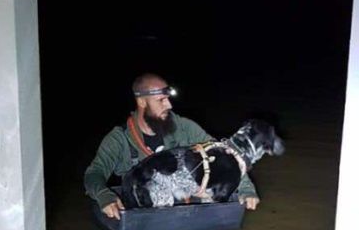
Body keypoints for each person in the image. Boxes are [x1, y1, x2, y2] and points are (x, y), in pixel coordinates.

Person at [84, 73, 259, 220]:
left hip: (183, 204)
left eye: (168, 99)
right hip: (143, 208)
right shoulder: (119, 139)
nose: (169, 105)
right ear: (142, 102)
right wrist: (104, 196)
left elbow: (225, 158)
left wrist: (246, 190)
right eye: (161, 100)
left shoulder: (184, 127)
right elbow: (94, 173)